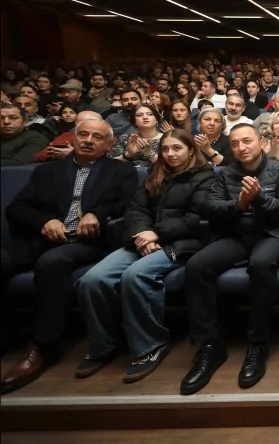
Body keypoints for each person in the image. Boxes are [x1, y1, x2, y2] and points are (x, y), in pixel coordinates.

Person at [0, 117, 137, 394]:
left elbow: (129, 205)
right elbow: (17, 209)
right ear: (72, 139)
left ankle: (44, 345)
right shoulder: (46, 172)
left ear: (109, 144)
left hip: (88, 241)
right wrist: (45, 221)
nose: (88, 140)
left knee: (53, 263)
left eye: (97, 137)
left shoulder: (121, 171)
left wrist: (98, 213)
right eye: (83, 134)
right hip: (41, 237)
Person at [75, 130, 215, 382]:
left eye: (177, 148)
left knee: (135, 275)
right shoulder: (155, 174)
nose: (170, 154)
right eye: (165, 149)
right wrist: (143, 232)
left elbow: (198, 217)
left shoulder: (204, 176)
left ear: (191, 150)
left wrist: (157, 234)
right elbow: (136, 208)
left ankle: (150, 345)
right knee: (92, 279)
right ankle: (104, 343)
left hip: (183, 244)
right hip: (143, 239)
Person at [180, 124, 279, 395]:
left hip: (271, 234)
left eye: (247, 141)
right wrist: (239, 205)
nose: (241, 147)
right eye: (235, 143)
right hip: (234, 236)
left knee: (260, 265)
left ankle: (258, 344)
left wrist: (258, 201)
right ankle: (210, 346)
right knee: (197, 266)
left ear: (261, 143)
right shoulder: (224, 174)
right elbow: (207, 206)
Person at [110, 104, 164, 169]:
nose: (145, 117)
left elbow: (170, 167)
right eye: (139, 115)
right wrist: (128, 154)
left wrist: (150, 154)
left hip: (156, 176)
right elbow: (110, 164)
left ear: (157, 120)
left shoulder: (166, 139)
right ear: (134, 121)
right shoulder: (126, 138)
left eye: (150, 114)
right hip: (128, 176)